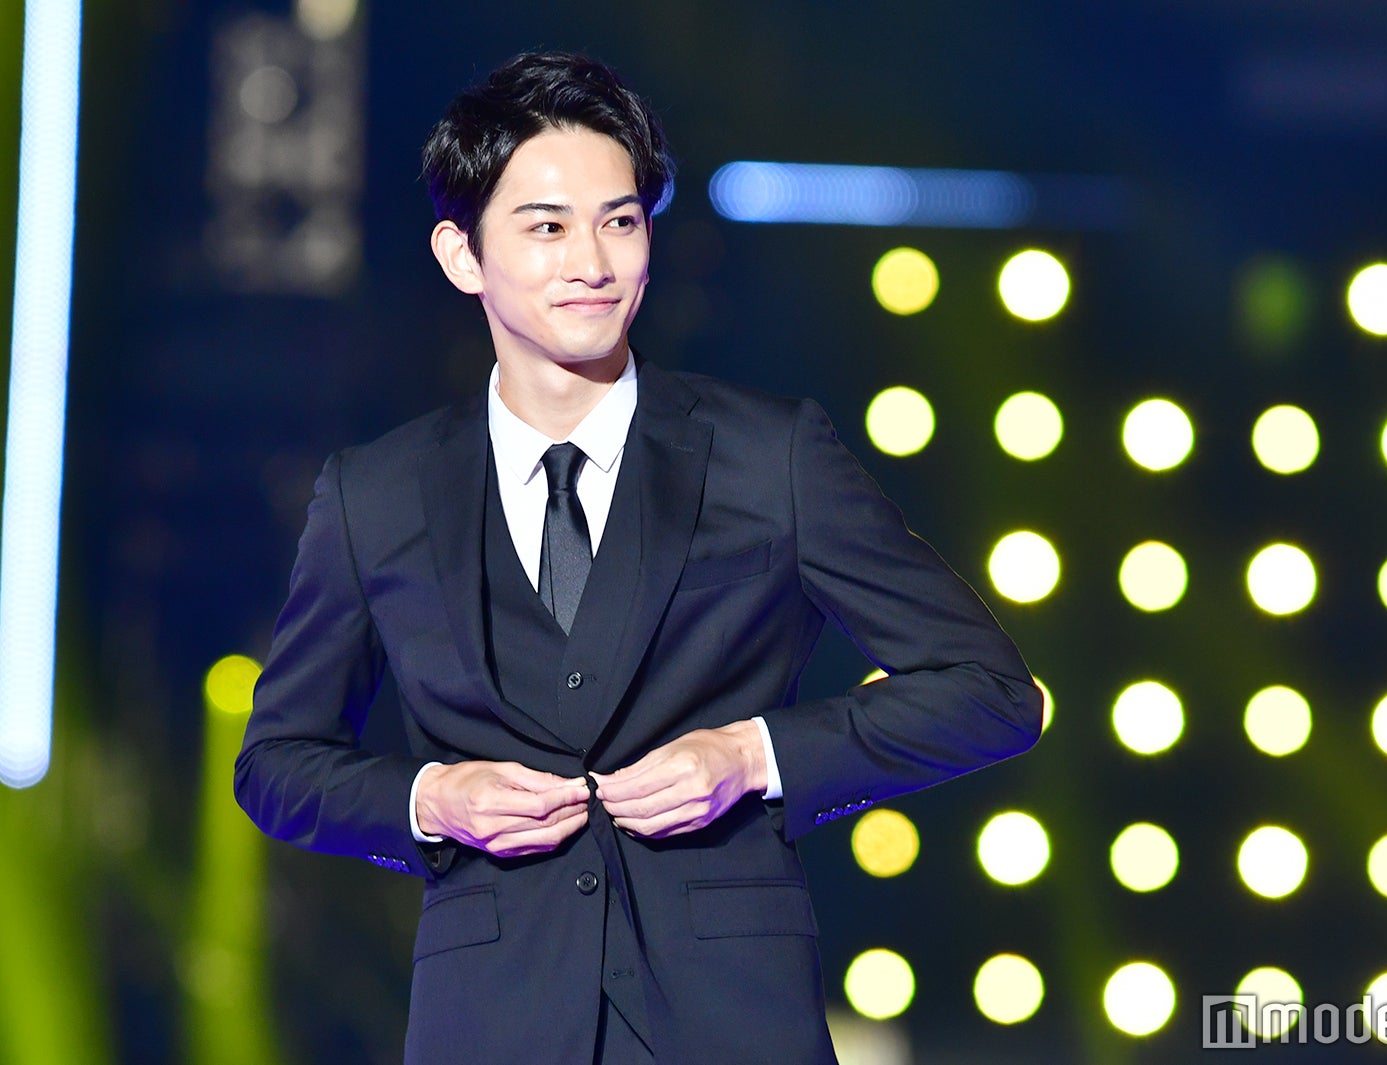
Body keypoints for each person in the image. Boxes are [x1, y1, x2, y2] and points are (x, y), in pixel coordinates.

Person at [235, 51, 1042, 1065]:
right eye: (547, 227)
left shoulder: (770, 455)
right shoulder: (376, 493)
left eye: (620, 221)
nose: (593, 262)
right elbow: (277, 764)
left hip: (730, 1023)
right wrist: (427, 799)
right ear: (462, 254)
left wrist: (753, 757)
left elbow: (990, 693)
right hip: (490, 1023)